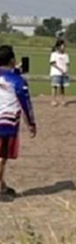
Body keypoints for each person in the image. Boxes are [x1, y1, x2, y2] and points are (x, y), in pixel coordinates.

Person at [0, 45, 37, 197]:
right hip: (7, 122)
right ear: (12, 60)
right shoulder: (18, 81)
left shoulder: (12, 76)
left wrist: (15, 70)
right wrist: (31, 123)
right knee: (2, 156)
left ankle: (2, 185)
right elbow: (26, 103)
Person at [48, 39, 70, 107]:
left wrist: (66, 70)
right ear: (59, 46)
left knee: (62, 87)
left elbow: (67, 64)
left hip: (64, 73)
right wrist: (60, 69)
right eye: (62, 45)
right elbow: (53, 63)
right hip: (56, 73)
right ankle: (53, 100)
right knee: (54, 86)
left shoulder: (66, 55)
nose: (63, 47)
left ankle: (62, 100)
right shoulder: (54, 54)